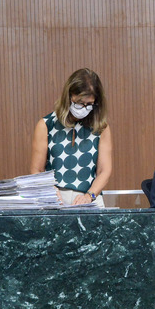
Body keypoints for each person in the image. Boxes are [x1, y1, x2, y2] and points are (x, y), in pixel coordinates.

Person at [29, 68, 113, 206]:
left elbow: (104, 170)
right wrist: (49, 191)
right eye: (79, 103)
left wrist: (89, 196)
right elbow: (36, 170)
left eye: (89, 104)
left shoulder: (101, 127)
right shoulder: (46, 125)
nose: (84, 108)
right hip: (55, 198)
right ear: (68, 97)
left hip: (90, 198)